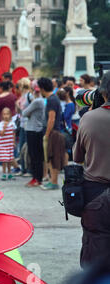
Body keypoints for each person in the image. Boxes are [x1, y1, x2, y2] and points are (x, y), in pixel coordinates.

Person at [73, 71, 110, 268]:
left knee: (94, 254)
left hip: (96, 195)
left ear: (102, 92)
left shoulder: (89, 118)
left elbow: (77, 157)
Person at [38, 77, 66, 190]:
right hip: (54, 132)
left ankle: (54, 182)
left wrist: (47, 134)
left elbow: (51, 118)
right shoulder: (53, 99)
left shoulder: (52, 100)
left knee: (53, 157)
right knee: (49, 157)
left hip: (53, 133)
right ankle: (52, 181)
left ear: (42, 88)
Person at [22, 80, 45, 187]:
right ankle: (37, 177)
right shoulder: (43, 100)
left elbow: (24, 112)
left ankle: (36, 178)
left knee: (34, 156)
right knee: (37, 156)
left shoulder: (37, 101)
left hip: (33, 130)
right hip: (38, 129)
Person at [0, 108, 16, 181]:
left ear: (10, 115)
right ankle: (4, 173)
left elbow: (13, 133)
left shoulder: (12, 123)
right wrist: (4, 128)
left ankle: (9, 173)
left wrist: (13, 142)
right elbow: (1, 134)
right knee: (4, 160)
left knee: (9, 160)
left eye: (7, 114)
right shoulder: (1, 124)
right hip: (3, 145)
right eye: (4, 114)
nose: (6, 116)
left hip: (9, 144)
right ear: (2, 115)